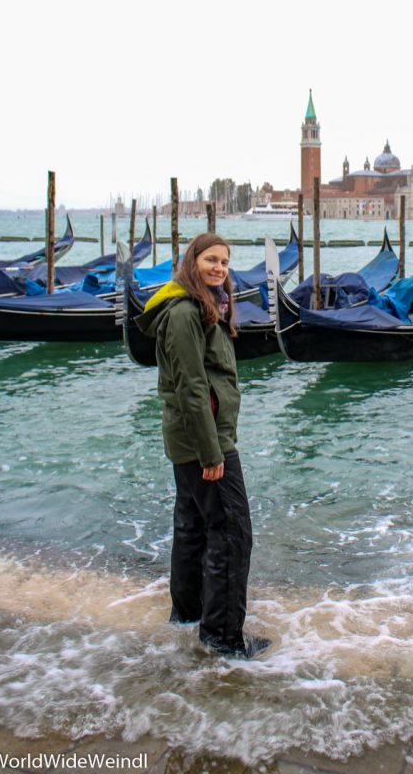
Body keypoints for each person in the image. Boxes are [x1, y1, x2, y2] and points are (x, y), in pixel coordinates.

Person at [136, 232, 270, 659]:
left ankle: (190, 615)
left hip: (194, 438)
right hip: (204, 441)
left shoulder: (204, 306)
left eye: (225, 262)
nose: (219, 268)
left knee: (193, 526)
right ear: (191, 262)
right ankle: (223, 638)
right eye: (211, 260)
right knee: (232, 534)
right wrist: (213, 453)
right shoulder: (184, 314)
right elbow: (192, 387)